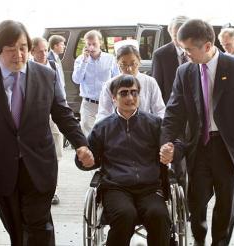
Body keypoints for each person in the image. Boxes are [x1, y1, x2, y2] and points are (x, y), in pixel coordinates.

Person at [0, 20, 94, 246]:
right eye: (10, 49)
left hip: (38, 165)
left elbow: (62, 113)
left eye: (22, 47)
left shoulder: (45, 75)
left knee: (39, 226)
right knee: (16, 229)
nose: (18, 55)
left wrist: (81, 144)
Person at [160, 19, 234, 246]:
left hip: (229, 148)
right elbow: (173, 112)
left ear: (207, 46)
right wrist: (166, 142)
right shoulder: (184, 72)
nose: (184, 53)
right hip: (198, 146)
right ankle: (199, 240)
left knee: (225, 205)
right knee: (195, 203)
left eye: (188, 49)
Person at [76, 74, 173, 246]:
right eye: (124, 93)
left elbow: (174, 144)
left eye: (134, 93)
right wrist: (85, 160)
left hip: (149, 188)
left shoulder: (154, 124)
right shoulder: (103, 127)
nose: (130, 97)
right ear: (113, 98)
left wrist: (172, 151)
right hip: (116, 188)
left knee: (159, 216)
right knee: (125, 215)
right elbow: (88, 159)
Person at [96, 40, 165, 122]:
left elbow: (159, 110)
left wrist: (158, 128)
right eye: (124, 64)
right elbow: (103, 113)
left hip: (145, 129)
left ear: (139, 61)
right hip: (118, 129)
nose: (129, 69)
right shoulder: (110, 84)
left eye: (133, 63)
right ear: (117, 63)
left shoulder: (150, 82)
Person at [31, 37, 64, 205]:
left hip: (54, 115)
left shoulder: (54, 66)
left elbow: (61, 91)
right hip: (36, 118)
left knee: (55, 154)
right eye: (40, 51)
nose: (44, 54)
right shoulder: (28, 70)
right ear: (32, 52)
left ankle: (53, 190)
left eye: (46, 50)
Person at [72, 30, 119, 136]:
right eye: (88, 44)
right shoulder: (80, 60)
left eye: (94, 44)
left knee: (108, 135)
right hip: (88, 104)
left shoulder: (110, 59)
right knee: (88, 137)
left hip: (107, 103)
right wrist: (85, 61)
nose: (91, 47)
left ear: (100, 43)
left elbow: (117, 80)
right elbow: (76, 79)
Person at [152, 16, 189, 104]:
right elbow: (157, 88)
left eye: (183, 35)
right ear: (170, 33)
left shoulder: (198, 51)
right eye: (176, 35)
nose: (180, 39)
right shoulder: (160, 55)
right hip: (171, 106)